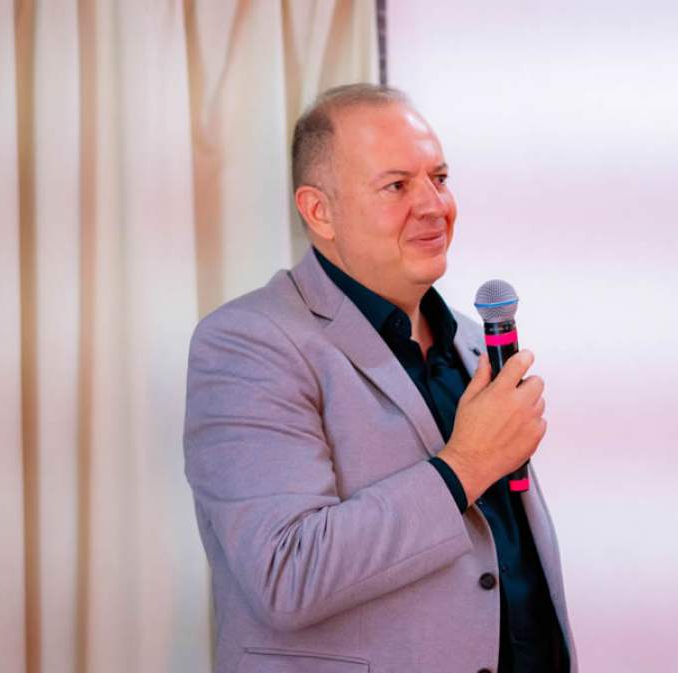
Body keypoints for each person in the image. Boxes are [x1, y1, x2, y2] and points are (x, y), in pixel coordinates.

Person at [184, 83, 574, 673]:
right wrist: (467, 465)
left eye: (439, 178)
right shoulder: (249, 343)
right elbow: (286, 573)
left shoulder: (473, 339)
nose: (434, 205)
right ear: (319, 211)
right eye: (397, 185)